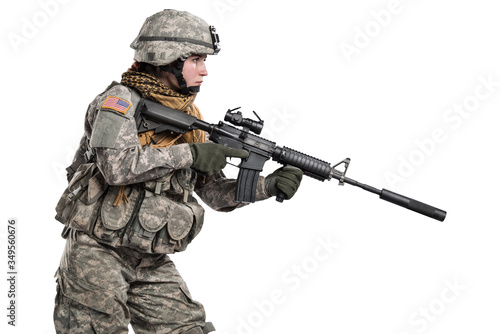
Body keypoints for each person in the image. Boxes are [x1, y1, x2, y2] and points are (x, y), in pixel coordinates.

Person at [53, 9, 303, 334]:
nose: (204, 70)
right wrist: (190, 153)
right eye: (196, 59)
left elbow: (213, 192)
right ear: (167, 58)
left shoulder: (190, 117)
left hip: (150, 259)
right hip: (97, 252)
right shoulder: (118, 103)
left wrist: (266, 186)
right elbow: (116, 167)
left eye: (204, 60)